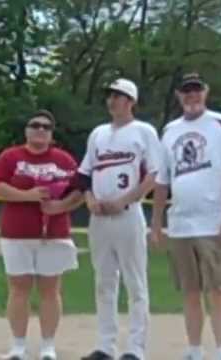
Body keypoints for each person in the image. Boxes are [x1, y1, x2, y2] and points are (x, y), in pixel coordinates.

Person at [151, 73, 221, 360]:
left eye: (196, 91)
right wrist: (157, 223)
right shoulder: (170, 130)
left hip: (213, 222)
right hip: (181, 223)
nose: (192, 96)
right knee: (190, 291)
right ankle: (194, 349)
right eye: (186, 92)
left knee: (218, 290)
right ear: (179, 96)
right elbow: (162, 179)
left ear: (205, 93)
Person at [0, 109, 83, 360]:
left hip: (54, 233)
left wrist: (59, 206)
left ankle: (48, 346)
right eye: (35, 125)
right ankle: (18, 346)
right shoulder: (11, 157)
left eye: (46, 127)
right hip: (16, 232)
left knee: (50, 290)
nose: (40, 130)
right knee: (19, 289)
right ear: (26, 130)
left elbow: (79, 192)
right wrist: (27, 196)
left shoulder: (64, 160)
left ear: (52, 134)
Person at [78, 78, 161, 360]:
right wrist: (89, 199)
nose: (112, 100)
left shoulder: (143, 131)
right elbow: (85, 173)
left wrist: (126, 199)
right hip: (99, 217)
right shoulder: (98, 133)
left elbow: (153, 175)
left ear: (131, 101)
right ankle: (105, 345)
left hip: (128, 214)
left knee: (135, 282)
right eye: (110, 95)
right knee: (103, 281)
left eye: (118, 95)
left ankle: (135, 349)